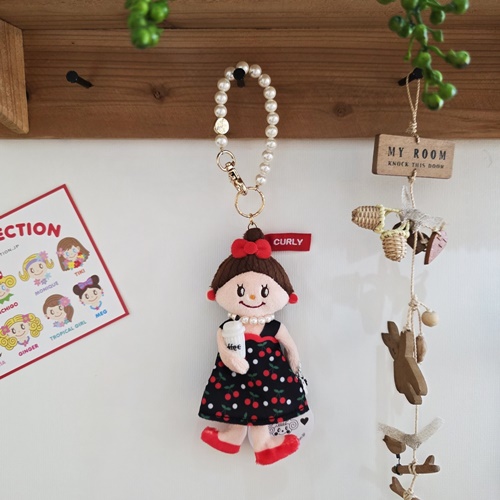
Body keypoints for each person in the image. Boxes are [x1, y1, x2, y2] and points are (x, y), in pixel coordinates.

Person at [199, 227, 308, 465]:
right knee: (239, 408)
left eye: (264, 291)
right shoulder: (228, 327)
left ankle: (263, 444)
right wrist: (231, 359)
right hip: (235, 374)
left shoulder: (273, 327)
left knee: (261, 412)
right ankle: (233, 437)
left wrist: (295, 363)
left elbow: (290, 347)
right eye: (241, 290)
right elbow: (222, 348)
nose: (251, 298)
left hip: (269, 379)